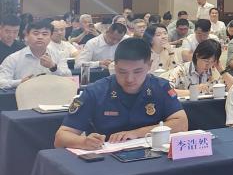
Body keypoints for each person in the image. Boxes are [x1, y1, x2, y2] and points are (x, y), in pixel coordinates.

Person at [54, 38, 188, 148]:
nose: (129, 79)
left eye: (137, 71)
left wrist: (136, 133)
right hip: (106, 159)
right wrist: (83, 142)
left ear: (149, 65)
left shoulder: (161, 87)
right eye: (122, 72)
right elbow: (61, 137)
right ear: (115, 66)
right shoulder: (95, 92)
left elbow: (182, 123)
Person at [0, 19, 72, 89]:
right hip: (25, 95)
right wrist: (20, 82)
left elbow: (68, 78)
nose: (40, 37)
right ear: (27, 35)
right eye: (36, 33)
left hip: (53, 95)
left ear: (50, 37)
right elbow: (2, 82)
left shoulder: (58, 55)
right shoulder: (13, 59)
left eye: (45, 34)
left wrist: (53, 67)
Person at [163, 39, 232, 96]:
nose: (208, 65)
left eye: (212, 61)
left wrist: (222, 70)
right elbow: (167, 91)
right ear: (197, 56)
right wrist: (192, 92)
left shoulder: (215, 72)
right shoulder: (181, 70)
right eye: (206, 61)